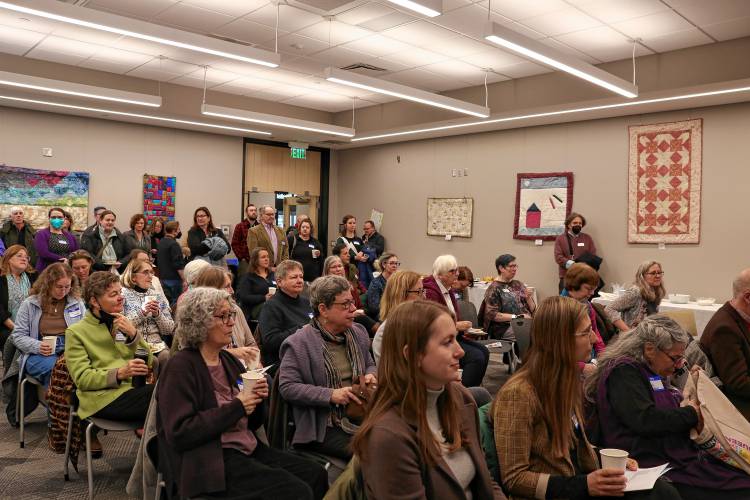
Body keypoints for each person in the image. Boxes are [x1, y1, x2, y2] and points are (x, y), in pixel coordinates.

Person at [494, 297, 678, 500]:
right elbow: (514, 479)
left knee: (662, 491)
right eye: (585, 332)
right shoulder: (518, 394)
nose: (593, 338)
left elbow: (572, 445)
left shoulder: (565, 381)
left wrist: (603, 456)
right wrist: (584, 485)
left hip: (574, 483)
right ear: (559, 340)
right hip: (562, 491)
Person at [157, 287, 328, 500]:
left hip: (245, 446)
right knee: (295, 492)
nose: (231, 322)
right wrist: (238, 406)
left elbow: (253, 423)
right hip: (211, 459)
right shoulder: (181, 367)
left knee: (316, 475)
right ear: (200, 321)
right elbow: (180, 432)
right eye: (224, 316)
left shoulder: (228, 361)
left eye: (232, 315)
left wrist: (256, 400)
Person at [353, 300, 506, 499]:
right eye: (447, 342)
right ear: (412, 355)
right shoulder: (388, 436)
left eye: (456, 339)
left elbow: (485, 480)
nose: (460, 351)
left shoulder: (461, 398)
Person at [586, 315, 750, 499]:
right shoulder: (623, 372)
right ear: (649, 349)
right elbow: (645, 420)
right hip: (648, 460)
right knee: (740, 487)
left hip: (672, 451)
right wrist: (691, 413)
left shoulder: (650, 369)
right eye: (675, 358)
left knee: (739, 475)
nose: (678, 365)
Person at [279, 275, 377, 460]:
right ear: (323, 309)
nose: (354, 308)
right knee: (374, 451)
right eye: (346, 304)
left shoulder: (358, 332)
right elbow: (287, 388)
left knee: (402, 439)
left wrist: (371, 375)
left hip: (362, 410)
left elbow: (370, 364)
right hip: (324, 424)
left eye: (353, 302)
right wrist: (330, 395)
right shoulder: (299, 343)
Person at [65, 271, 155, 423]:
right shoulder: (76, 332)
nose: (121, 297)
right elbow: (82, 379)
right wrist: (119, 373)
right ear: (94, 301)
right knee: (164, 397)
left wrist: (134, 334)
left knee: (170, 393)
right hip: (101, 399)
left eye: (120, 292)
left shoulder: (121, 323)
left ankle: (155, 444)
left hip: (130, 391)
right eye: (113, 294)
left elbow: (149, 361)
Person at [10, 263, 85, 388]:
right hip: (39, 351)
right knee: (59, 371)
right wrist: (38, 346)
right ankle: (59, 405)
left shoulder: (77, 303)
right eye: (59, 287)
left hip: (70, 349)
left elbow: (85, 331)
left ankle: (70, 405)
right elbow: (17, 336)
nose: (63, 291)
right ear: (47, 284)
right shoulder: (30, 304)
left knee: (82, 370)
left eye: (67, 287)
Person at [423, 255, 489, 388]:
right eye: (452, 271)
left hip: (453, 336)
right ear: (440, 274)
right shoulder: (430, 291)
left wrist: (459, 326)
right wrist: (457, 325)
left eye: (456, 271)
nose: (457, 274)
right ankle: (461, 394)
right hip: (440, 339)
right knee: (476, 357)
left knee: (484, 351)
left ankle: (471, 391)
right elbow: (434, 323)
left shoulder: (448, 289)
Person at [700, 268, 750, 420]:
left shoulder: (740, 317)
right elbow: (739, 384)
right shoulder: (725, 328)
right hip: (737, 406)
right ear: (748, 297)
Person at [192, 266, 260, 366]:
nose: (232, 291)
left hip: (243, 370)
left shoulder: (235, 309)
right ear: (212, 289)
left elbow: (251, 343)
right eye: (227, 286)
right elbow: (198, 355)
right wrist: (233, 353)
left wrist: (256, 362)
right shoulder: (199, 316)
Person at [257, 260, 310, 371]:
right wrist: (300, 330)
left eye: (301, 277)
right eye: (294, 277)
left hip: (309, 356)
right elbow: (270, 342)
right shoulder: (271, 307)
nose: (300, 281)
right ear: (279, 282)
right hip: (284, 363)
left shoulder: (307, 302)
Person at [120, 259, 173, 367]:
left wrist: (157, 315)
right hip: (134, 345)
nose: (150, 276)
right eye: (145, 272)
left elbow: (169, 329)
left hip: (157, 345)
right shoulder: (123, 295)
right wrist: (142, 313)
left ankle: (163, 384)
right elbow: (121, 326)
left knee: (166, 357)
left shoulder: (157, 296)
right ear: (133, 277)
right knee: (152, 361)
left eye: (151, 272)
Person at [562, 263, 607, 377]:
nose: (592, 293)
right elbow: (554, 353)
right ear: (574, 284)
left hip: (589, 360)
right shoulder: (559, 310)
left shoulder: (587, 306)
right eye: (588, 288)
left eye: (594, 289)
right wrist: (581, 366)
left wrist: (602, 354)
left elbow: (595, 332)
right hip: (570, 367)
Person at [371, 270, 423, 364]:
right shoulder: (386, 333)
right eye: (418, 292)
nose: (423, 297)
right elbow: (398, 375)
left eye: (423, 291)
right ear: (401, 295)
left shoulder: (417, 323)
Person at [481, 254, 536, 340]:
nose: (514, 269)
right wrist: (518, 317)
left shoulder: (518, 284)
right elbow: (493, 315)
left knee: (546, 328)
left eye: (515, 266)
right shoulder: (494, 288)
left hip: (524, 323)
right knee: (535, 333)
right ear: (501, 268)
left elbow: (533, 310)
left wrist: (528, 298)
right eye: (511, 266)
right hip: (504, 327)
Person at [323, 255, 378, 337]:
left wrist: (359, 311)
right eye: (334, 267)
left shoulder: (350, 286)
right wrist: (352, 313)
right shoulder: (324, 288)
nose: (338, 269)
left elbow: (360, 306)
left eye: (339, 266)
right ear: (327, 271)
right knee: (363, 320)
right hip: (338, 320)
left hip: (355, 317)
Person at [605, 261, 666, 332]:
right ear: (642, 276)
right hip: (632, 340)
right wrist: (628, 332)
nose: (658, 276)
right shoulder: (635, 292)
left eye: (659, 273)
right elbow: (609, 309)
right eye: (653, 273)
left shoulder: (656, 292)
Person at [0, 245, 37, 350]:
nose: (24, 258)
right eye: (19, 256)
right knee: (12, 338)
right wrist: (16, 328)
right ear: (8, 259)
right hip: (6, 326)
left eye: (26, 257)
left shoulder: (34, 276)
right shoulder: (1, 279)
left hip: (32, 325)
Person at [554, 212, 598, 293]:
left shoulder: (587, 238)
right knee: (565, 304)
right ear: (568, 225)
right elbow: (558, 257)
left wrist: (583, 268)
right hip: (567, 278)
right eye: (575, 223)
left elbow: (593, 255)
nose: (578, 225)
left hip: (584, 278)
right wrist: (574, 266)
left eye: (580, 223)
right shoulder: (560, 239)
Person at [81, 209, 133, 273]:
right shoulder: (90, 236)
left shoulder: (121, 237)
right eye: (107, 220)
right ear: (100, 221)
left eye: (112, 220)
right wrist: (105, 265)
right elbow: (88, 254)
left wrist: (121, 263)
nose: (110, 222)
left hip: (117, 271)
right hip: (98, 272)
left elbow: (129, 254)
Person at [33, 207, 79, 272]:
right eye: (53, 217)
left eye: (60, 217)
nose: (56, 219)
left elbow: (76, 252)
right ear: (49, 219)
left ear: (64, 219)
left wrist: (69, 260)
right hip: (47, 270)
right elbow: (43, 253)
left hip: (66, 269)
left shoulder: (70, 236)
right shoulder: (41, 234)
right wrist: (62, 259)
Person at [236, 248, 276, 322]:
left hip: (273, 305)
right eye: (263, 257)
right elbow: (243, 297)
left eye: (267, 257)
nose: (266, 259)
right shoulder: (248, 277)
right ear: (255, 260)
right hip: (255, 308)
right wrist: (264, 298)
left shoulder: (272, 275)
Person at [246, 205, 288, 271]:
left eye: (272, 214)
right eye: (268, 214)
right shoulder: (253, 231)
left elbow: (285, 250)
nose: (271, 216)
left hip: (279, 270)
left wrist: (283, 265)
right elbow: (253, 253)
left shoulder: (281, 231)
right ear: (261, 216)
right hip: (262, 270)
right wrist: (269, 268)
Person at [336, 215, 372, 289]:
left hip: (360, 268)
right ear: (345, 225)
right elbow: (341, 254)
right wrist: (356, 257)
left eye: (354, 223)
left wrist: (362, 253)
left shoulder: (359, 239)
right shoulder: (341, 240)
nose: (352, 225)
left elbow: (365, 249)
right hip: (348, 269)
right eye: (350, 223)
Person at [156, 221, 185, 306]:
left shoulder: (161, 242)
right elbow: (178, 264)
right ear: (174, 231)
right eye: (178, 229)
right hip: (174, 280)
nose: (179, 231)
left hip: (162, 278)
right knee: (176, 304)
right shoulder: (174, 244)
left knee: (166, 303)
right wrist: (184, 279)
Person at [365, 252, 399, 320]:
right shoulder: (376, 284)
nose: (395, 266)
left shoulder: (398, 282)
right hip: (382, 316)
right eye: (392, 263)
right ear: (384, 264)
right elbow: (374, 308)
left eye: (396, 263)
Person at [231, 203, 259, 276]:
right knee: (243, 281)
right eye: (251, 210)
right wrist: (241, 258)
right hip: (245, 260)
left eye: (255, 210)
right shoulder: (240, 226)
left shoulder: (260, 227)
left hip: (257, 260)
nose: (254, 212)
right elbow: (234, 243)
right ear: (246, 213)